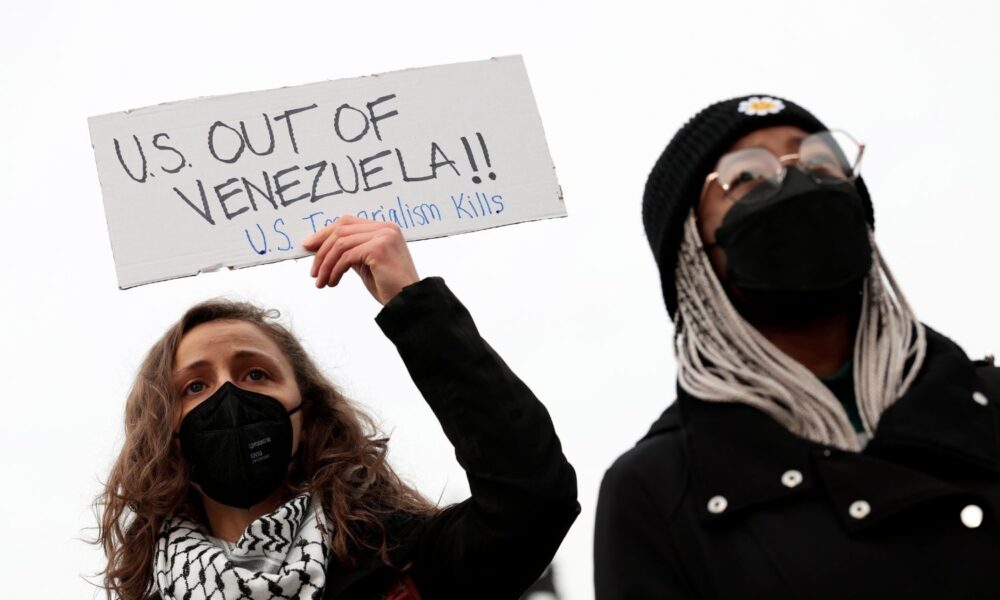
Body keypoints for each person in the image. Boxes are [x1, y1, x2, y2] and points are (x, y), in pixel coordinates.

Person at [594, 95, 1000, 598]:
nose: (796, 178)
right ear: (692, 255)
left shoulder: (989, 402)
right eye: (747, 176)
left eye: (821, 161)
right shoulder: (657, 493)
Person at [95, 215, 579, 600]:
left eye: (256, 374)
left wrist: (412, 302)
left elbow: (532, 497)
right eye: (195, 385)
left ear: (307, 415)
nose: (228, 395)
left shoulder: (406, 567)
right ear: (162, 432)